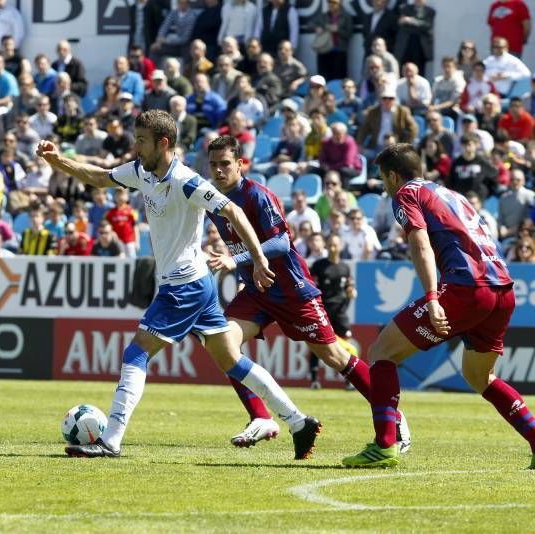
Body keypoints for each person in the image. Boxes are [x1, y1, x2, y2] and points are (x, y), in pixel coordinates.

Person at [37, 111, 319, 459]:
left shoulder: (187, 181)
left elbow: (235, 212)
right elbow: (99, 177)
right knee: (232, 361)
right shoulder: (142, 171)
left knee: (136, 352)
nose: (135, 146)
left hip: (183, 286)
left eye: (142, 140)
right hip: (197, 283)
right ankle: (298, 421)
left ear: (163, 143)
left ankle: (110, 440)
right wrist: (58, 160)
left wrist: (258, 258)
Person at [204, 135, 410, 451]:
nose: (218, 171)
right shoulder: (214, 202)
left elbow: (281, 244)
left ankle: (392, 414)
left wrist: (236, 259)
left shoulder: (257, 195)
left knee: (335, 356)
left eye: (225, 164)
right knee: (221, 343)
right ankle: (261, 417)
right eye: (214, 165)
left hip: (292, 290)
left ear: (241, 164)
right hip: (259, 292)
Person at [342, 143, 532, 469]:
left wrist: (432, 297)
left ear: (392, 175)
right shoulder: (452, 195)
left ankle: (385, 443)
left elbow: (420, 242)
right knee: (479, 376)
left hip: (465, 287)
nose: (382, 184)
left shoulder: (405, 194)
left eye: (382, 176)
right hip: (502, 289)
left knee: (381, 353)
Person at [309, 234, 356, 388]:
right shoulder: (319, 265)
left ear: (341, 246)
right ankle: (315, 380)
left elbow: (349, 286)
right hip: (324, 312)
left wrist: (351, 291)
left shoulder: (345, 267)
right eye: (330, 245)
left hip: (340, 313)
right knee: (318, 345)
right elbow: (311, 286)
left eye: (335, 245)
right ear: (326, 246)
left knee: (347, 345)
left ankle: (349, 380)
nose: (333, 248)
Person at [311, 0, 352, 82]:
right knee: (323, 77)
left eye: (334, 3)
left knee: (338, 77)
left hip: (339, 51)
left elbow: (349, 34)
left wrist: (338, 30)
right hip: (324, 50)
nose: (331, 5)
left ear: (339, 4)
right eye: (329, 3)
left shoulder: (346, 16)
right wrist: (317, 28)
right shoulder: (323, 16)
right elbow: (311, 24)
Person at [394, 0, 436, 75]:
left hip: (420, 48)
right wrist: (418, 24)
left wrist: (411, 21)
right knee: (404, 69)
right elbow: (401, 23)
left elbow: (427, 25)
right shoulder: (405, 9)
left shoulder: (430, 11)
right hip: (406, 47)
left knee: (419, 71)